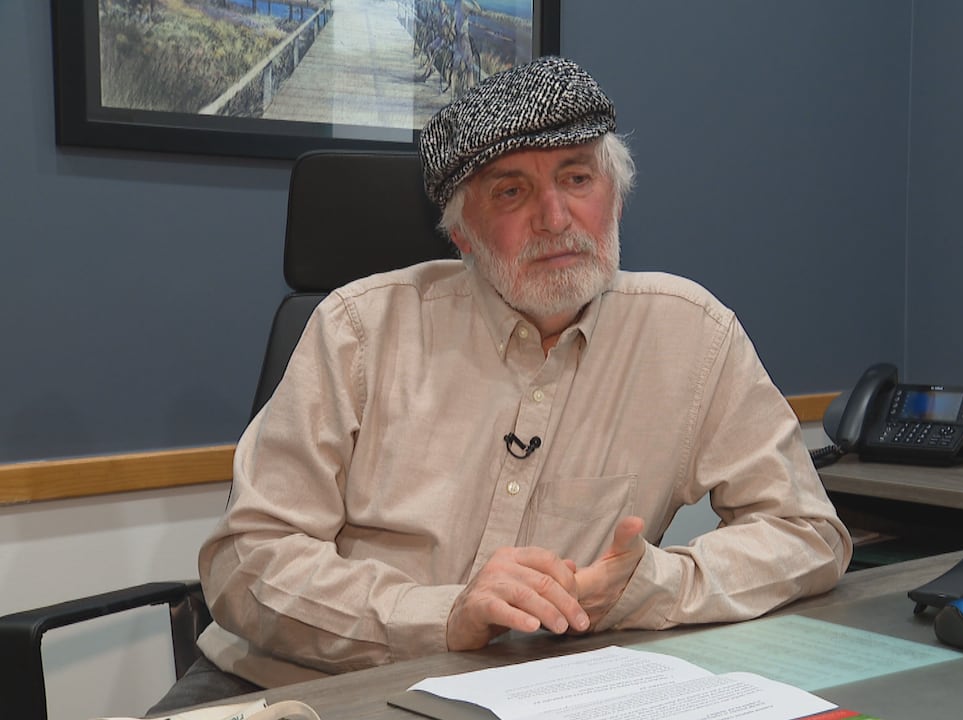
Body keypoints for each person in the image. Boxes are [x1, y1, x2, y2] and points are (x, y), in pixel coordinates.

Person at [150, 55, 851, 713]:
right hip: (301, 690)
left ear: (616, 197)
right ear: (461, 231)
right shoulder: (357, 330)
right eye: (512, 191)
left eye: (578, 178)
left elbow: (807, 533)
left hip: (543, 696)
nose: (555, 218)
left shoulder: (693, 334)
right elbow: (247, 565)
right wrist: (443, 616)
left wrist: (650, 587)